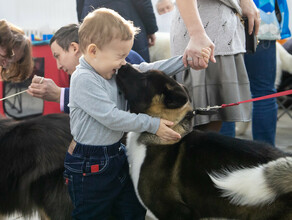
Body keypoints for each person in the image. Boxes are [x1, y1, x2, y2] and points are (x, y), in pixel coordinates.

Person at [65, 8, 210, 219]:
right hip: (90, 165)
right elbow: (112, 117)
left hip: (115, 155)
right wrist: (153, 124)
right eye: (120, 56)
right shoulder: (84, 80)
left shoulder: (109, 68)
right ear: (94, 51)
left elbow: (146, 68)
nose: (124, 63)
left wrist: (184, 61)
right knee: (93, 214)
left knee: (131, 210)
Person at [170, 0, 260, 132]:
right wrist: (197, 34)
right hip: (203, 38)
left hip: (224, 38)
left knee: (211, 130)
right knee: (196, 131)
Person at [27, 24, 145, 113]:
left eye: (58, 56)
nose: (58, 66)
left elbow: (111, 105)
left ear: (74, 48)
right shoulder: (84, 71)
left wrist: (60, 94)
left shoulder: (116, 60)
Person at [243, 0, 291, 146]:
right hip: (264, 18)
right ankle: (265, 155)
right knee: (264, 93)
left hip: (225, 18)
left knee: (225, 93)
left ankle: (224, 161)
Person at [76, 0, 158, 62]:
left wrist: (83, 30)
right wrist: (151, 29)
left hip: (92, 20)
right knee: (137, 70)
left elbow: (80, 4)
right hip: (125, 18)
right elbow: (142, 2)